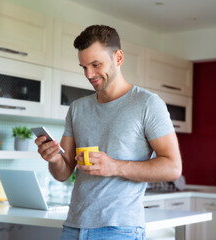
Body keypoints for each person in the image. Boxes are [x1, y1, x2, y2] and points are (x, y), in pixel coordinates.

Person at [35, 25, 182, 240]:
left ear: (118, 57)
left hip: (119, 230)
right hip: (74, 227)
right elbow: (63, 173)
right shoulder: (78, 108)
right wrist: (54, 158)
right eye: (83, 67)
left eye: (96, 65)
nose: (89, 74)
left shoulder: (148, 104)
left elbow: (172, 167)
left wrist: (113, 166)